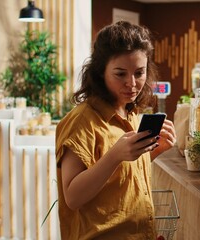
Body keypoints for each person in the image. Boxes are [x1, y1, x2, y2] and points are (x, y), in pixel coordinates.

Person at [55, 21, 177, 239]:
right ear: (101, 72)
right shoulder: (82, 121)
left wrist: (153, 151)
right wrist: (114, 156)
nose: (131, 83)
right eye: (120, 74)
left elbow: (117, 178)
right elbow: (72, 196)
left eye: (139, 73)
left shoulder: (129, 111)